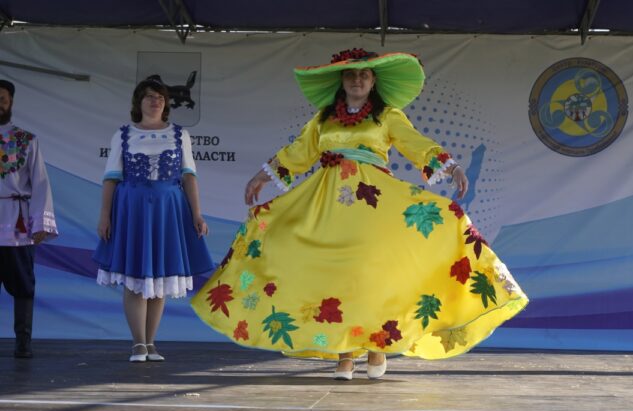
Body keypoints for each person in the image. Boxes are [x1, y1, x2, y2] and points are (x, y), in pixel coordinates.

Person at [191, 49, 528, 379]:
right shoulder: (323, 119)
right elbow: (298, 151)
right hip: (328, 204)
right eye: (351, 75)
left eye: (364, 75)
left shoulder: (387, 116)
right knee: (337, 276)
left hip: (373, 204)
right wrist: (262, 176)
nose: (357, 80)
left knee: (371, 275)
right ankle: (345, 355)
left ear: (373, 81)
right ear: (341, 80)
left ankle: (377, 346)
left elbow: (415, 142)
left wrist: (452, 168)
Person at [94, 76, 214, 362]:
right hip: (132, 210)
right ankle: (137, 343)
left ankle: (150, 342)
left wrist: (197, 213)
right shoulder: (123, 134)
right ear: (139, 102)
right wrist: (105, 216)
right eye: (149, 96)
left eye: (160, 97)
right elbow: (111, 178)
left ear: (166, 103)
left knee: (160, 277)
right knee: (134, 275)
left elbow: (189, 177)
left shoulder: (179, 135)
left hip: (167, 210)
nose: (155, 101)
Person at [0, 79, 58, 358]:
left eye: (2, 99)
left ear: (10, 102)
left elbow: (40, 183)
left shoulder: (26, 140)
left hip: (17, 225)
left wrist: (40, 224)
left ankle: (23, 343)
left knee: (23, 285)